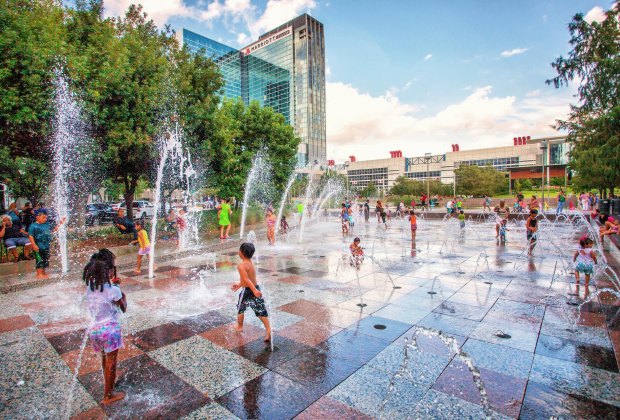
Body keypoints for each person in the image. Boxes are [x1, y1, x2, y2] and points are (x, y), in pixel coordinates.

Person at [83, 249, 127, 405]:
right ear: (108, 271)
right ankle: (109, 395)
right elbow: (123, 307)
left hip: (94, 329)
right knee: (111, 363)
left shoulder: (91, 286)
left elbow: (101, 296)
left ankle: (108, 384)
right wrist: (121, 293)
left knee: (104, 359)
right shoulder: (113, 290)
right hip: (110, 330)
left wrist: (112, 284)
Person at [231, 243, 271, 342]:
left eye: (239, 250)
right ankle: (268, 329)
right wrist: (240, 284)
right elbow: (249, 279)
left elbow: (246, 279)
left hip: (248, 290)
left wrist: (252, 290)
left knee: (240, 308)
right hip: (256, 287)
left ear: (241, 253)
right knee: (260, 310)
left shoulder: (241, 265)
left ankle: (239, 326)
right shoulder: (251, 263)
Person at [27, 209, 66, 279]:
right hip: (38, 246)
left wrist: (60, 223)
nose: (45, 219)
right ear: (37, 217)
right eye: (43, 217)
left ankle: (43, 272)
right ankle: (39, 273)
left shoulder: (47, 224)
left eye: (46, 218)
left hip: (46, 245)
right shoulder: (33, 226)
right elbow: (30, 236)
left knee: (45, 259)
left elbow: (54, 230)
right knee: (39, 259)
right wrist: (33, 245)